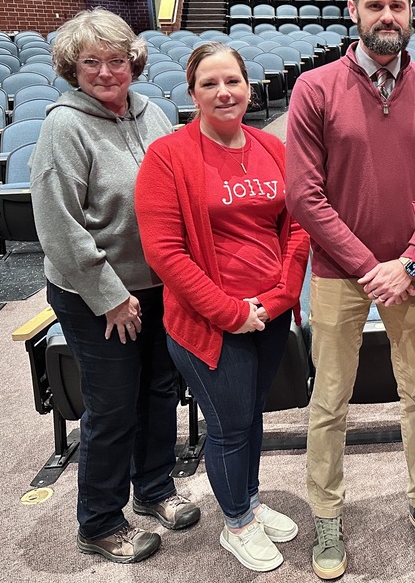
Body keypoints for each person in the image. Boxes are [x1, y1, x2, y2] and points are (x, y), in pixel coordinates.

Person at [285, 0, 415, 580]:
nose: (388, 16)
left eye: (399, 5)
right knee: (329, 399)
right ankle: (327, 517)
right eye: (376, 5)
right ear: (353, 11)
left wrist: (409, 262)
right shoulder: (315, 89)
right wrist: (371, 267)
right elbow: (306, 196)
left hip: (414, 271)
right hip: (340, 275)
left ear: (411, 13)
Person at [31, 8, 199, 564]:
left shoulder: (152, 112)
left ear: (134, 61)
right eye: (91, 62)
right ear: (71, 68)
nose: (107, 72)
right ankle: (100, 521)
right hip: (95, 295)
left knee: (158, 391)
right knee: (112, 405)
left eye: (117, 59)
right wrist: (111, 296)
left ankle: (153, 490)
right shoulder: (63, 126)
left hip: (156, 285)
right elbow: (60, 228)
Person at [135, 42, 309, 573]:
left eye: (232, 80)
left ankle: (249, 502)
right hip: (209, 321)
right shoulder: (168, 156)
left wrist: (279, 297)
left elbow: (298, 226)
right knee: (230, 425)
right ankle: (236, 522)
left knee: (249, 416)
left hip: (270, 314)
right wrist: (232, 312)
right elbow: (165, 253)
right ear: (192, 93)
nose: (224, 92)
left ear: (248, 86)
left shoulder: (270, 146)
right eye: (209, 83)